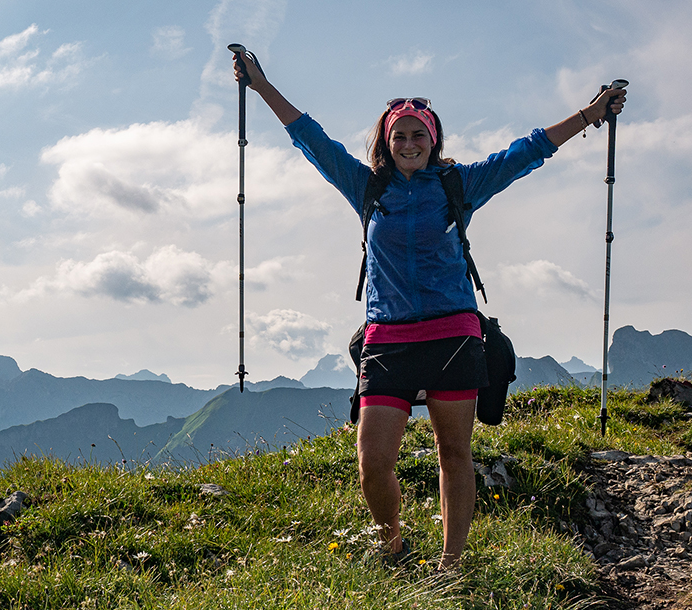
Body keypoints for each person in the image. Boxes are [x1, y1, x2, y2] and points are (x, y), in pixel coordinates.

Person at [232, 52, 626, 569]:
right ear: (386, 142)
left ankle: (451, 563)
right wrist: (261, 86)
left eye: (419, 135)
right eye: (400, 136)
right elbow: (311, 138)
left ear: (433, 139)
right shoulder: (367, 187)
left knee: (453, 455)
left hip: (453, 336)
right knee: (372, 463)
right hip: (387, 340)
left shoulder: (456, 186)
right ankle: (392, 542)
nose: (410, 144)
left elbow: (525, 152)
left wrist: (589, 114)